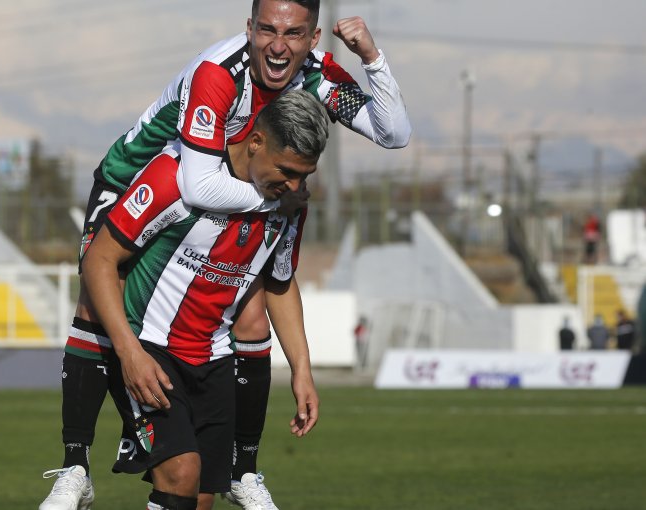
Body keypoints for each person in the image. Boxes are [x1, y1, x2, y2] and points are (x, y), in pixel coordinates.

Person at [39, 0, 411, 508]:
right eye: (267, 30)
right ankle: (75, 464)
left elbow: (394, 133)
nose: (279, 46)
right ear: (250, 28)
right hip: (140, 175)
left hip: (238, 182)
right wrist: (278, 201)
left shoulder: (316, 78)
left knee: (253, 316)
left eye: (295, 33)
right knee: (97, 290)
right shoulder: (218, 74)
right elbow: (196, 184)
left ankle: (244, 469)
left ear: (314, 38)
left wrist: (371, 57)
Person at [85, 89, 324, 510]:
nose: (294, 185)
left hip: (215, 360)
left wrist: (301, 370)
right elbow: (99, 259)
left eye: (305, 175)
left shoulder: (288, 207)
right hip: (151, 349)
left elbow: (279, 284)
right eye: (286, 170)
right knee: (181, 472)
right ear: (255, 142)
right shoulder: (175, 179)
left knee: (199, 498)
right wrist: (129, 352)